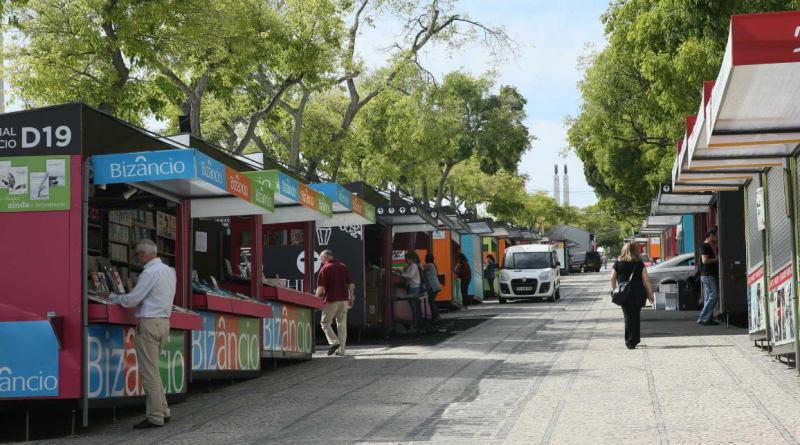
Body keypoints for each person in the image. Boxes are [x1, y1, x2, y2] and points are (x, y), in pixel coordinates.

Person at [99, 239, 176, 429]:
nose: (136, 260)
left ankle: (155, 416)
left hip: (149, 324)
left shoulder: (149, 272)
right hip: (164, 323)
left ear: (143, 254)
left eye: (136, 256)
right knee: (154, 370)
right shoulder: (169, 271)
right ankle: (163, 411)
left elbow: (131, 300)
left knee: (149, 373)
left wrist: (110, 296)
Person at [611, 242, 655, 350]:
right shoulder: (639, 263)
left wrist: (615, 290)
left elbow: (612, 278)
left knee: (628, 316)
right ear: (636, 250)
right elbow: (646, 279)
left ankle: (629, 341)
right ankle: (635, 339)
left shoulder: (618, 263)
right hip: (638, 290)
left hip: (624, 292)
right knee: (636, 315)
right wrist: (650, 293)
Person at [316, 250, 355, 356]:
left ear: (326, 257)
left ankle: (334, 342)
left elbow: (321, 287)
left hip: (331, 300)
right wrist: (351, 297)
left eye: (321, 258)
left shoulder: (325, 268)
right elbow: (351, 283)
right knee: (342, 325)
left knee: (325, 323)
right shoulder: (343, 266)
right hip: (344, 301)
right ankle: (341, 350)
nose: (321, 260)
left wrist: (315, 297)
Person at [698, 228, 720, 326]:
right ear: (711, 235)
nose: (717, 238)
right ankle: (703, 318)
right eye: (716, 236)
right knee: (713, 296)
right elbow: (704, 260)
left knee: (708, 297)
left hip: (708, 275)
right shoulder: (705, 246)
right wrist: (716, 259)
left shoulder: (707, 246)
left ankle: (708, 318)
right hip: (708, 275)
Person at [423, 253, 441, 322]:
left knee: (431, 301)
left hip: (432, 285)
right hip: (436, 285)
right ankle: (435, 316)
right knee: (432, 301)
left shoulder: (428, 265)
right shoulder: (433, 265)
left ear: (427, 259)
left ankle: (436, 316)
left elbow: (419, 269)